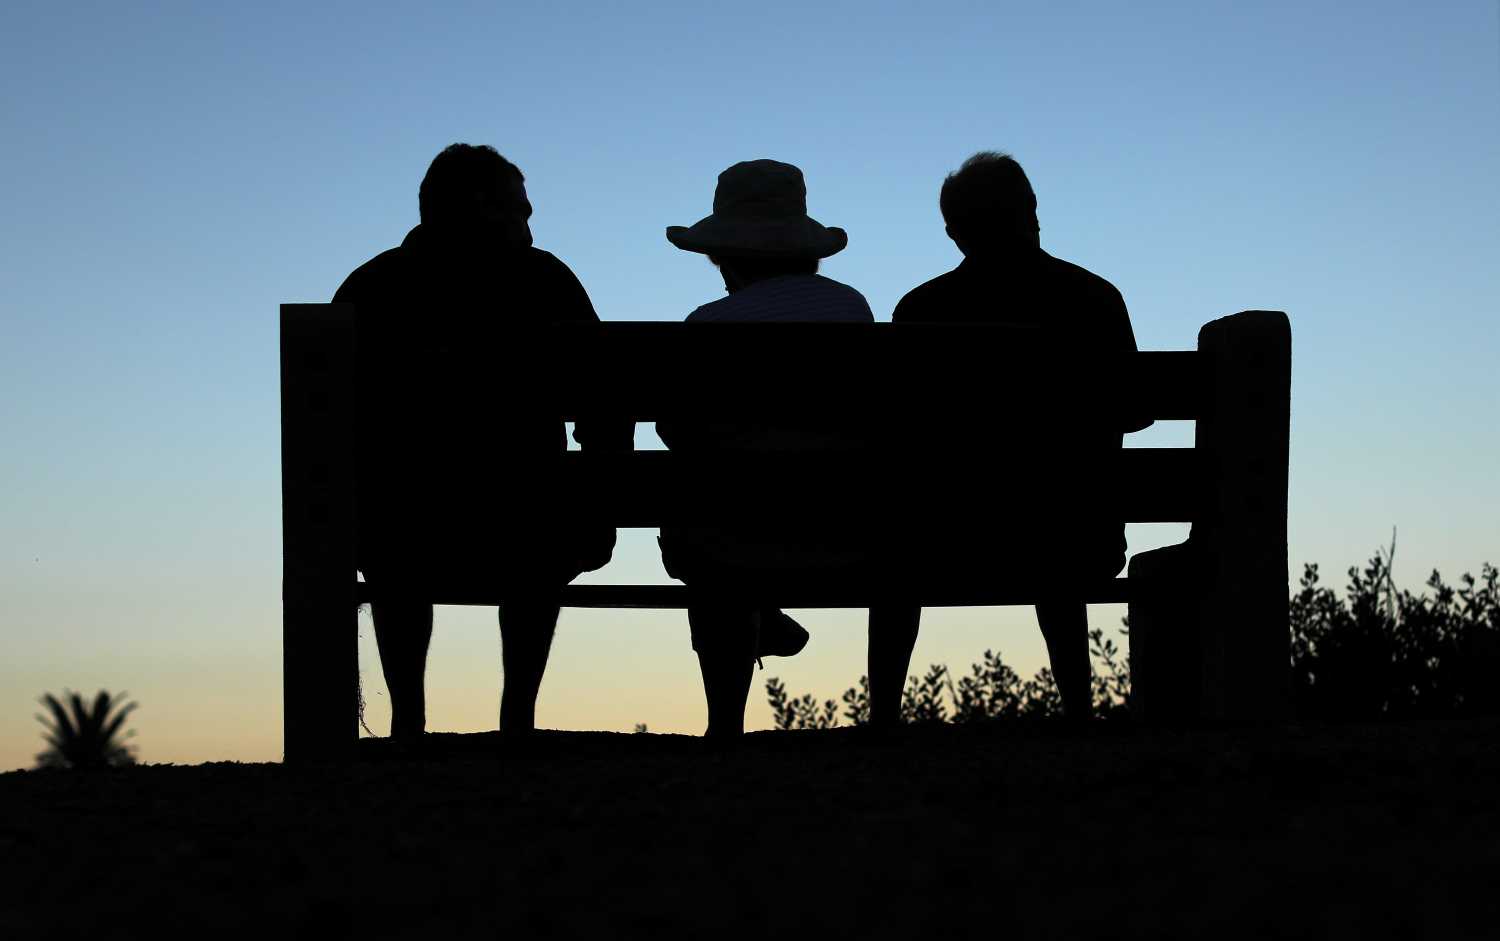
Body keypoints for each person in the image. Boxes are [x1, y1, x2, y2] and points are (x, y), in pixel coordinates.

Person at [333, 143, 632, 739]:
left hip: (397, 527)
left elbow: (336, 426)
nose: (528, 224)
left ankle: (408, 721)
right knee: (539, 526)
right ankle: (517, 715)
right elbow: (605, 394)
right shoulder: (545, 280)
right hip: (528, 526)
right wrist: (603, 498)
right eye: (519, 211)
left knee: (397, 542)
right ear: (482, 209)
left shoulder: (371, 287)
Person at [870, 151, 1151, 726]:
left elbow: (892, 429)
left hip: (942, 540)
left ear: (953, 233)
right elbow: (1135, 412)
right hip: (1078, 536)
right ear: (1032, 213)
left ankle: (883, 718)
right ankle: (1078, 709)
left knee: (897, 543)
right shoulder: (1095, 298)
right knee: (1058, 521)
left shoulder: (920, 310)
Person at [659, 159, 875, 737]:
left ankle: (725, 722)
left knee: (711, 507)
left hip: (726, 539)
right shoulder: (852, 310)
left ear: (725, 252)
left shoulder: (707, 326)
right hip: (848, 525)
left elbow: (675, 431)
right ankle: (767, 615)